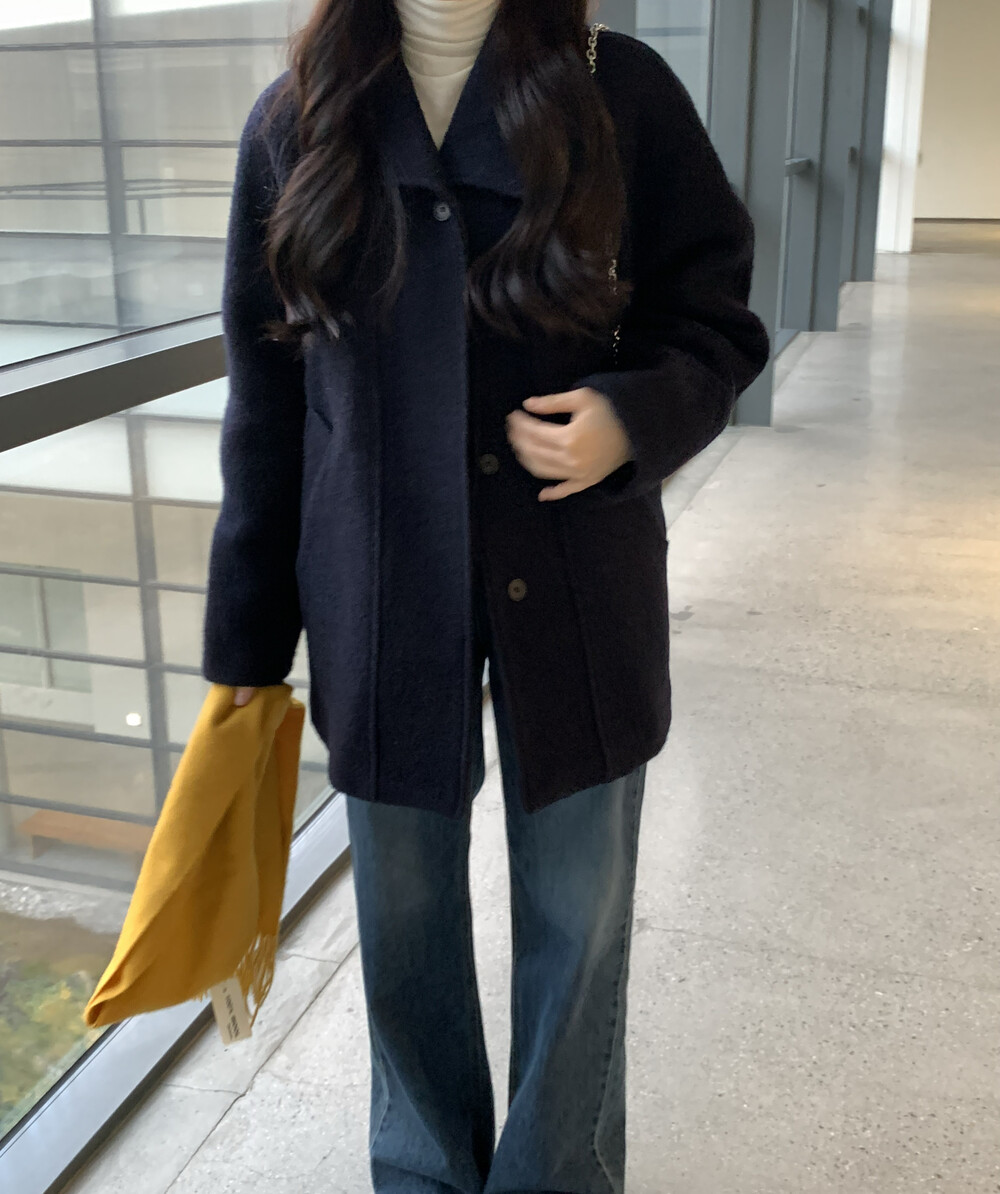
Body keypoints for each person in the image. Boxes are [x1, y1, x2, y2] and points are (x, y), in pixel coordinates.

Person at [201, 0, 770, 1190]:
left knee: (578, 913)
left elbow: (712, 317)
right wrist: (245, 651)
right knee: (403, 919)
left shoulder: (621, 88)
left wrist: (633, 417)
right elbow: (267, 408)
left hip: (576, 578)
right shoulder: (295, 121)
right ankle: (422, 1172)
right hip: (375, 592)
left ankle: (557, 1174)